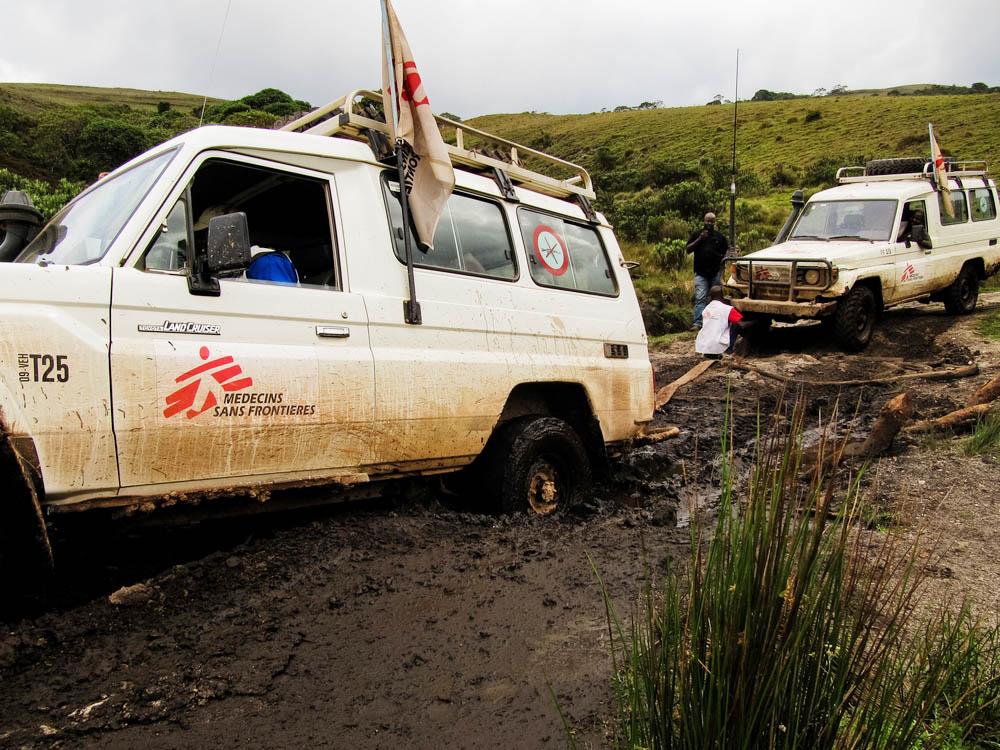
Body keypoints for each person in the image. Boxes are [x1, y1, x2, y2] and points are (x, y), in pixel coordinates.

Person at [686, 212, 729, 329]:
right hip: (700, 273)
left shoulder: (720, 237)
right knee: (701, 297)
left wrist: (722, 268)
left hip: (715, 272)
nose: (709, 223)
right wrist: (700, 238)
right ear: (704, 221)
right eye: (707, 221)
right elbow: (688, 249)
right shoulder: (697, 234)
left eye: (711, 221)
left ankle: (714, 322)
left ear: (715, 222)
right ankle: (697, 323)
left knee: (716, 298)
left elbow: (726, 253)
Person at [695, 286, 749, 357]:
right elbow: (742, 325)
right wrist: (756, 321)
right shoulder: (728, 309)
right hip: (719, 347)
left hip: (704, 347)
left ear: (710, 296)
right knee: (735, 324)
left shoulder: (706, 309)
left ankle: (710, 353)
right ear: (722, 296)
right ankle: (728, 350)